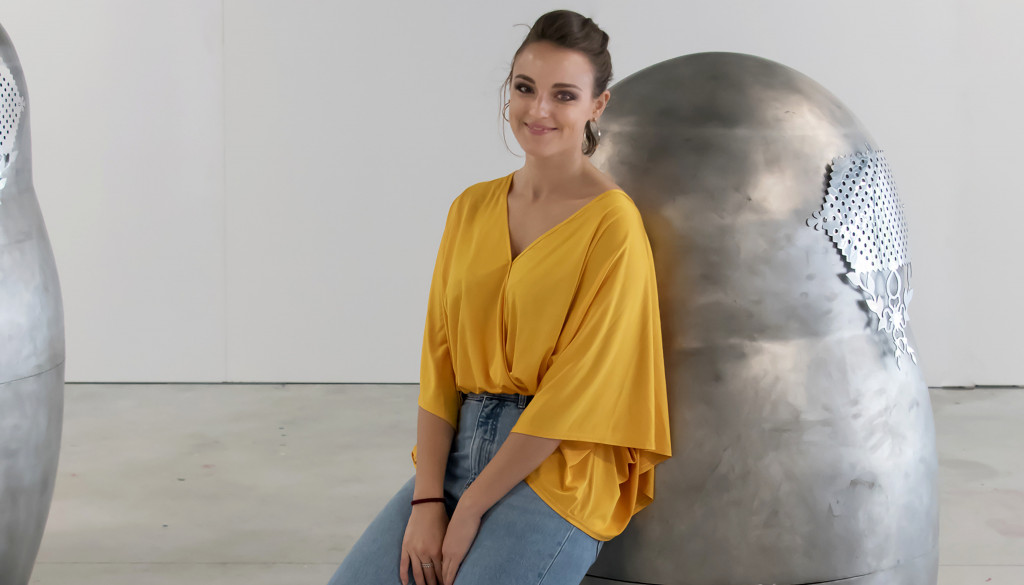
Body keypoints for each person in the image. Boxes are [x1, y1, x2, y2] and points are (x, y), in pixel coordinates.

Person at [327, 9, 672, 585]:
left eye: (564, 95)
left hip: (559, 465)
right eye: (525, 88)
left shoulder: (612, 225)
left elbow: (575, 394)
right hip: (459, 447)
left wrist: (471, 507)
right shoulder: (470, 208)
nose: (538, 110)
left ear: (597, 106)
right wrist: (428, 501)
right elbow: (439, 362)